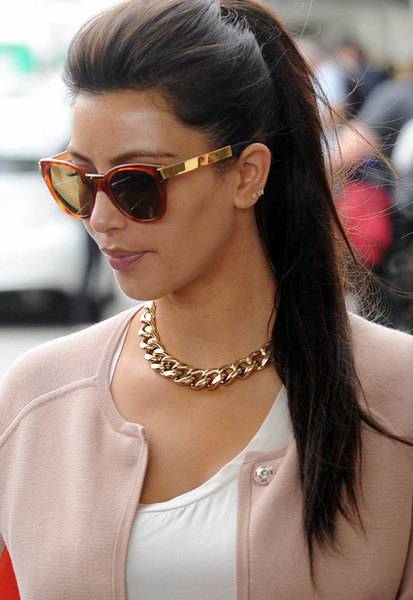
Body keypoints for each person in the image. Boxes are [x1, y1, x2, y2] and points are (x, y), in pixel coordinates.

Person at [0, 1, 412, 599]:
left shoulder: (395, 398)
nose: (101, 217)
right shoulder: (36, 400)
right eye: (78, 181)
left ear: (246, 174)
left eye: (136, 183)